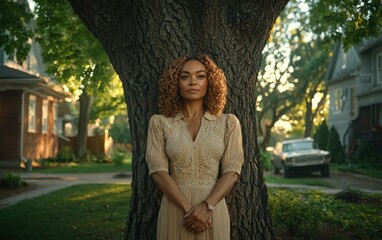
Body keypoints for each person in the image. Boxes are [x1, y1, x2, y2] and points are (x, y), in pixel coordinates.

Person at [146, 54, 244, 240]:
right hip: (175, 209)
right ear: (175, 83)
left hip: (213, 211)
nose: (193, 82)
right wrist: (190, 210)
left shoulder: (228, 123)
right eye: (185, 77)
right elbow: (157, 171)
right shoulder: (160, 123)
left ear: (210, 82)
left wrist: (206, 207)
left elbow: (232, 172)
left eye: (200, 76)